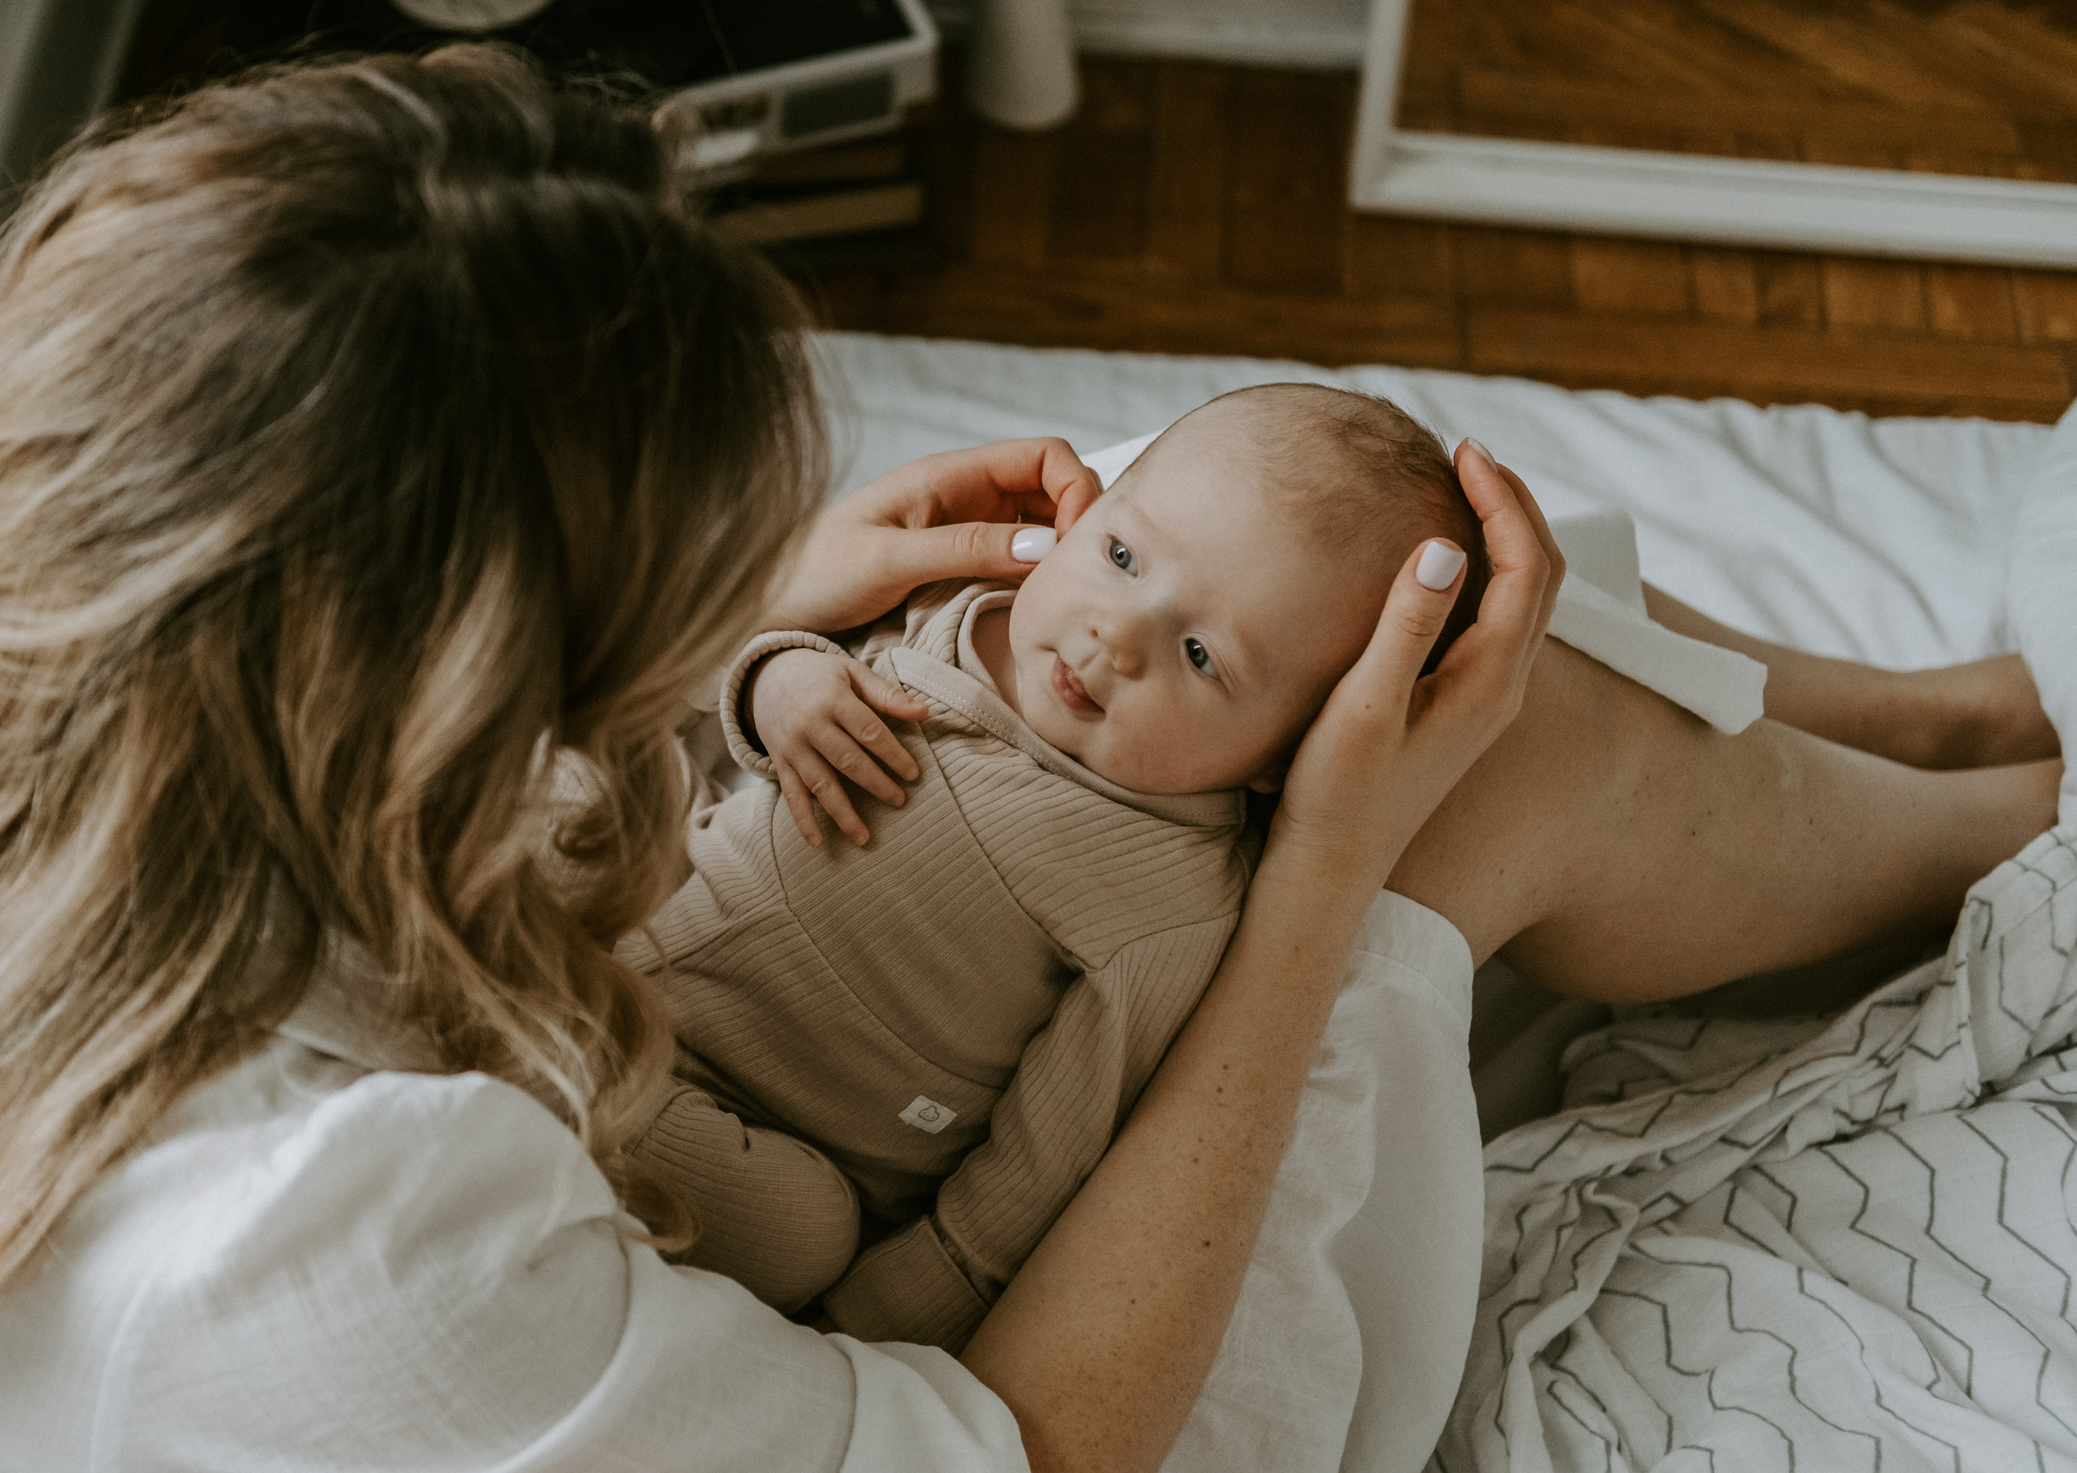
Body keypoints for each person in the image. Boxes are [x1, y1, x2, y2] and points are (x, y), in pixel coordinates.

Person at [0, 43, 2019, 1473]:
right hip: (1012, 1377)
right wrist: (1321, 880)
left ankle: (1927, 721)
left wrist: (739, 603)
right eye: (629, 633)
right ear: (445, 686)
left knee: (1341, 550)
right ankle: (2003, 834)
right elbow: (1028, 1447)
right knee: (1455, 730)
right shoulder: (349, 1246)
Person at [621, 382, 2061, 1349]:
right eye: (1112, 562)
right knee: (1499, 717)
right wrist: (787, 684)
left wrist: (778, 668)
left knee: (1315, 512)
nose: (1109, 636)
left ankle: (1927, 717)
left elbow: (1036, 1147)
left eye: (1190, 652)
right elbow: (781, 697)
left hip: (680, 1013)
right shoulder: (987, 639)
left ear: (1268, 768)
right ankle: (2014, 833)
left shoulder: (1141, 881)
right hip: (725, 1122)